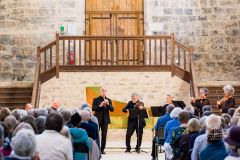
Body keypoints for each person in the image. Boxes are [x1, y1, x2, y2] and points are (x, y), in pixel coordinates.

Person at [92, 87, 114, 154]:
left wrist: (108, 104)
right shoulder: (96, 99)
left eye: (104, 91)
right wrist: (100, 105)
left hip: (105, 120)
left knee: (104, 135)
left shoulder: (109, 100)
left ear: (105, 92)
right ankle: (96, 149)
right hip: (97, 120)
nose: (103, 92)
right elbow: (93, 108)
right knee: (96, 135)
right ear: (100, 92)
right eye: (102, 91)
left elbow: (112, 109)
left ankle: (102, 149)